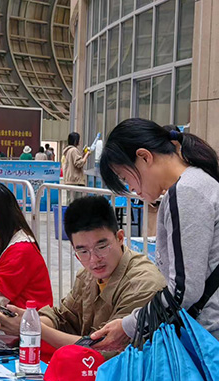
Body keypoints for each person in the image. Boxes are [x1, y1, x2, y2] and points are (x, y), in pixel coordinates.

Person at [92, 118, 219, 350]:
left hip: (209, 342)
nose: (130, 187)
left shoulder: (185, 192)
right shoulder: (197, 182)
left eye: (124, 177)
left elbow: (183, 292)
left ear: (144, 157)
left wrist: (128, 326)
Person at [0, 196, 165, 350]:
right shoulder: (87, 275)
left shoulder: (143, 284)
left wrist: (34, 328)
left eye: (101, 246)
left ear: (120, 238)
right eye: (83, 251)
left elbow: (105, 347)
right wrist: (29, 320)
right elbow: (63, 318)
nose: (94, 259)